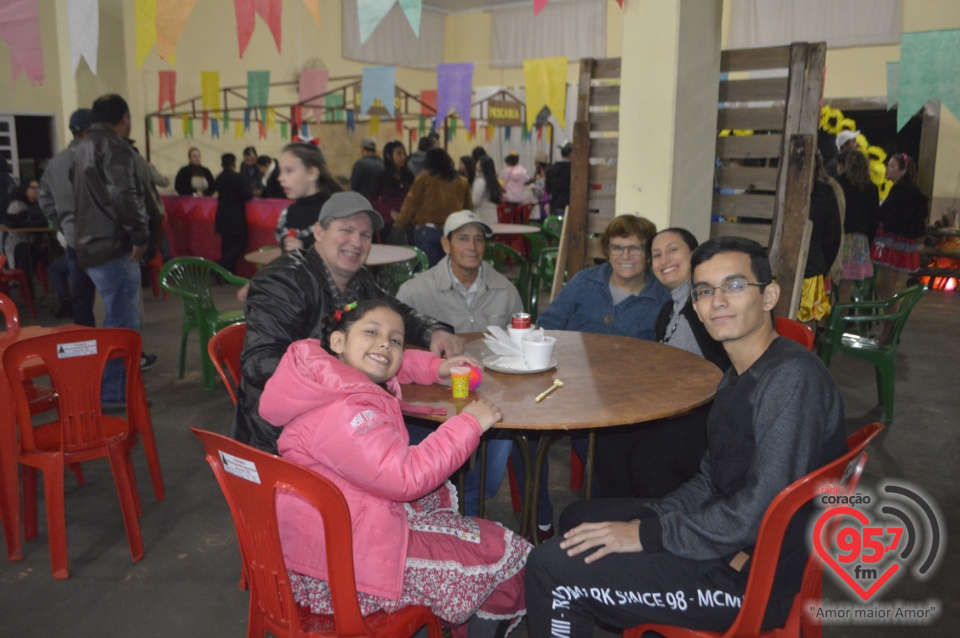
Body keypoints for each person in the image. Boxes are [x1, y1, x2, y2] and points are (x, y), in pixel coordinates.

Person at [524, 236, 847, 637]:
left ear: (769, 296)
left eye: (734, 286)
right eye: (705, 291)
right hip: (731, 541)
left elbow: (761, 508)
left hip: (751, 580)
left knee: (551, 568)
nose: (717, 301)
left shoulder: (792, 380)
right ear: (694, 305)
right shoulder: (737, 376)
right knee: (577, 519)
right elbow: (710, 479)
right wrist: (651, 521)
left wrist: (647, 535)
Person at [259, 298, 529, 638]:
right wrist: (468, 425)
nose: (385, 344)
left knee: (443, 500)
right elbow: (406, 477)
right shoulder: (345, 413)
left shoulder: (326, 377)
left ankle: (449, 609)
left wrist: (437, 368)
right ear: (339, 341)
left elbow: (391, 364)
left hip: (323, 535)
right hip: (346, 566)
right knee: (510, 554)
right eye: (372, 332)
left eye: (396, 339)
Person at [235, 191, 464, 455]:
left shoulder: (359, 280)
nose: (356, 241)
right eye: (347, 230)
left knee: (446, 433)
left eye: (365, 235)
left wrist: (432, 330)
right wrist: (349, 379)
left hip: (341, 416)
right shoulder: (283, 282)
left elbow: (392, 310)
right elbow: (259, 363)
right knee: (438, 444)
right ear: (319, 231)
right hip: (284, 433)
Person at [396, 210, 523, 517]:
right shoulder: (414, 292)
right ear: (445, 243)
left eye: (479, 239)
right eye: (463, 238)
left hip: (490, 394)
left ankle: (465, 508)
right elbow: (396, 350)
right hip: (433, 401)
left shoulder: (505, 290)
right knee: (436, 471)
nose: (472, 246)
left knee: (501, 441)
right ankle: (450, 509)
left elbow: (519, 344)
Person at [595, 228, 730, 499]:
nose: (664, 259)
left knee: (647, 457)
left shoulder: (707, 303)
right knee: (609, 439)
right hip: (675, 405)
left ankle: (663, 525)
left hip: (711, 413)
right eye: (656, 254)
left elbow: (723, 368)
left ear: (694, 254)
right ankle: (621, 516)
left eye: (673, 250)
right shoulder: (669, 310)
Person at [73, 94, 151, 409]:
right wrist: (140, 235)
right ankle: (114, 393)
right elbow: (124, 195)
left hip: (89, 244)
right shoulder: (117, 148)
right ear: (125, 118)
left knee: (113, 320)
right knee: (123, 325)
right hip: (113, 245)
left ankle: (109, 388)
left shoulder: (82, 147)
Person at [539, 214, 669, 339]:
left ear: (648, 254)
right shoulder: (584, 281)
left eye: (634, 248)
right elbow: (549, 322)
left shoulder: (662, 298)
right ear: (608, 252)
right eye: (617, 248)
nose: (625, 256)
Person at [39, 108, 98, 326]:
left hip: (74, 237)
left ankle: (86, 350)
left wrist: (63, 221)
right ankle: (121, 353)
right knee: (115, 299)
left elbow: (43, 199)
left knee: (82, 299)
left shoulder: (55, 163)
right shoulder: (97, 157)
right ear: (90, 130)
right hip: (103, 239)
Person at [394, 147, 473, 267]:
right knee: (450, 274)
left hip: (428, 232)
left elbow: (411, 203)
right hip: (453, 233)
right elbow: (468, 211)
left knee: (428, 275)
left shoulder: (424, 178)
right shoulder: (461, 181)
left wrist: (400, 224)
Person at [870, 152, 927, 311]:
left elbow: (899, 218)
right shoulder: (902, 189)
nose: (887, 169)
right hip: (894, 242)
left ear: (903, 171)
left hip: (895, 244)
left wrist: (881, 213)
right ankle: (888, 330)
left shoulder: (903, 190)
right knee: (882, 286)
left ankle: (889, 331)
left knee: (887, 288)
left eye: (892, 166)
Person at [798, 154, 842, 325]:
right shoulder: (826, 191)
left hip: (808, 267)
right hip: (813, 265)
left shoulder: (825, 192)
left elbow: (832, 236)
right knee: (807, 320)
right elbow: (832, 236)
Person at [274, 143, 342, 252]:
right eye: (280, 171)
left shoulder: (336, 211)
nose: (280, 178)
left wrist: (305, 246)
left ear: (312, 173)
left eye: (289, 171)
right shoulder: (288, 212)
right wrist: (285, 243)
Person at [836, 149, 880, 303]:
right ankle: (842, 321)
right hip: (859, 240)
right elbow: (874, 218)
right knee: (845, 287)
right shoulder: (871, 188)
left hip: (838, 237)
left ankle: (825, 322)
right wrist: (868, 240)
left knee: (829, 284)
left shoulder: (839, 183)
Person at [2, 180, 49, 298]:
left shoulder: (42, 204)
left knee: (38, 252)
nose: (37, 190)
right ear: (25, 191)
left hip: (34, 240)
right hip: (16, 242)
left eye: (38, 187)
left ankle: (29, 287)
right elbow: (13, 225)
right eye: (33, 188)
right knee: (28, 252)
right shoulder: (17, 205)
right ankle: (27, 288)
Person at [214, 153, 252, 274]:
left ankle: (228, 272)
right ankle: (220, 265)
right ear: (234, 164)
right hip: (236, 216)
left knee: (226, 245)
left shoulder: (219, 178)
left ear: (222, 164)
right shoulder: (238, 177)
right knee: (240, 243)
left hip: (221, 215)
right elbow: (247, 195)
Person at [372, 140, 414, 243]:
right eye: (399, 154)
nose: (403, 157)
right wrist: (390, 212)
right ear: (389, 156)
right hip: (388, 223)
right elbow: (373, 201)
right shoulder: (382, 176)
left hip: (407, 222)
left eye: (404, 153)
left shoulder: (409, 176)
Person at [472, 156, 503, 228]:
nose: (476, 164)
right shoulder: (494, 181)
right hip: (492, 217)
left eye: (478, 163)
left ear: (481, 167)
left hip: (481, 217)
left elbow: (475, 202)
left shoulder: (480, 182)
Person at [545, 142, 572, 217]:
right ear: (570, 154)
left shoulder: (551, 169)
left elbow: (548, 189)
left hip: (554, 204)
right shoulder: (572, 170)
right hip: (568, 205)